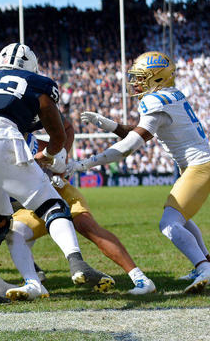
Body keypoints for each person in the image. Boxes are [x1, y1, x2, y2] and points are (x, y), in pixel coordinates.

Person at [0, 43, 112, 306]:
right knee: (53, 205)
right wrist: (49, 156)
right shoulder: (37, 82)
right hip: (0, 136)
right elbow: (58, 134)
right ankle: (77, 262)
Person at [69, 51, 210, 294]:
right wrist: (111, 125)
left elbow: (128, 147)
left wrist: (84, 164)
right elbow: (139, 133)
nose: (135, 82)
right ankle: (205, 264)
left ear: (157, 78)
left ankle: (204, 268)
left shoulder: (155, 101)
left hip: (199, 165)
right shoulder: (170, 95)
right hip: (197, 164)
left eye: (141, 77)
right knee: (181, 219)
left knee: (169, 224)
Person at [4, 133, 155, 300]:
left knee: (87, 226)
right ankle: (33, 283)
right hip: (31, 205)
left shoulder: (31, 140)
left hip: (58, 193)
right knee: (15, 233)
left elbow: (63, 143)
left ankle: (140, 279)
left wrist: (57, 167)